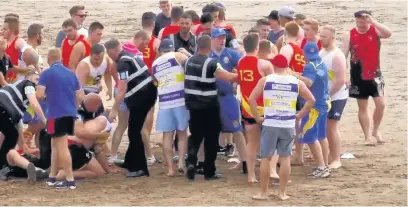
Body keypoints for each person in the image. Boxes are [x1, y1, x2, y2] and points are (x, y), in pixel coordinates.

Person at [249, 54, 315, 201]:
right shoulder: (296, 82)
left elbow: (251, 99)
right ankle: (282, 193)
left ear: (274, 66)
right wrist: (300, 115)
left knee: (266, 158)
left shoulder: (266, 80)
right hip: (288, 123)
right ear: (286, 67)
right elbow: (311, 99)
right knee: (285, 158)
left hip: (271, 122)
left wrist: (256, 117)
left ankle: (263, 192)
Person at [184, 35, 238, 181]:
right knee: (211, 138)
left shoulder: (188, 61)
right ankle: (209, 170)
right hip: (209, 105)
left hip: (192, 104)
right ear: (209, 47)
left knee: (195, 136)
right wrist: (241, 74)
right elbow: (228, 77)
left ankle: (191, 161)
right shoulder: (212, 63)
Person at [105, 38, 157, 177]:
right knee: (134, 129)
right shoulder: (128, 56)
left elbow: (122, 88)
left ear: (113, 50)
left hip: (142, 95)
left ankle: (140, 168)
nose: (109, 57)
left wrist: (114, 109)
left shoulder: (123, 62)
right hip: (146, 93)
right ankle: (130, 161)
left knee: (134, 131)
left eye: (109, 54)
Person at [341, 10, 391, 145]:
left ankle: (376, 130)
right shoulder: (350, 34)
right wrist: (344, 75)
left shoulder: (375, 31)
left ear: (368, 20)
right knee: (362, 106)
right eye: (358, 21)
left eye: (363, 20)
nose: (361, 23)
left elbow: (388, 33)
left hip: (375, 74)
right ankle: (367, 136)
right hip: (358, 75)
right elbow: (342, 56)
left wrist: (373, 21)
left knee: (381, 105)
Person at [36, 48, 84, 189]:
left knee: (61, 145)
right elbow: (80, 96)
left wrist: (47, 99)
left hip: (54, 114)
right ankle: (52, 176)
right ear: (60, 58)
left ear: (49, 59)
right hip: (70, 113)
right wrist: (72, 105)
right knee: (55, 144)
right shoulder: (71, 73)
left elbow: (39, 94)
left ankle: (69, 179)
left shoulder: (47, 73)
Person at [236, 33, 274, 183]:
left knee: (251, 143)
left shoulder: (240, 62)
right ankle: (270, 170)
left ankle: (251, 175)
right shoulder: (264, 64)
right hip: (263, 107)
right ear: (257, 47)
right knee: (270, 142)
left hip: (247, 107)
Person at [209, 28, 247, 173]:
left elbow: (242, 68)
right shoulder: (208, 55)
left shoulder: (231, 54)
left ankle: (245, 163)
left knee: (237, 130)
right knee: (211, 131)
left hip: (228, 96)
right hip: (212, 97)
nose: (222, 40)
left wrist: (236, 78)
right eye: (218, 37)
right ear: (212, 39)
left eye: (223, 37)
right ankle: (209, 164)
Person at [290, 42, 331, 178]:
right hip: (323, 103)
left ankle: (321, 167)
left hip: (314, 107)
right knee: (321, 136)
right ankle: (325, 164)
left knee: (310, 137)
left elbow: (308, 82)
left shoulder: (309, 66)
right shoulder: (321, 63)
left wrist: (294, 76)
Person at [151, 39, 189, 176]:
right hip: (179, 99)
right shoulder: (177, 56)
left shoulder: (154, 64)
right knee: (182, 133)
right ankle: (180, 162)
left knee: (167, 135)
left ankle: (170, 169)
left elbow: (154, 82)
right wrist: (187, 53)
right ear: (172, 48)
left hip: (165, 102)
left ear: (160, 50)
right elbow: (192, 62)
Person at [0, 71, 45, 169]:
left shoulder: (21, 100)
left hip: (3, 110)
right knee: (11, 135)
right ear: (29, 78)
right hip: (2, 107)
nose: (38, 83)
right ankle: (2, 166)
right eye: (37, 79)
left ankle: (2, 165)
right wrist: (45, 121)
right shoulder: (28, 84)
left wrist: (23, 145)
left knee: (11, 134)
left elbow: (17, 122)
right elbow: (34, 104)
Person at [320, 25, 348, 169]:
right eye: (321, 35)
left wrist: (328, 95)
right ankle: (330, 154)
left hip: (336, 95)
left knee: (332, 127)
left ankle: (336, 158)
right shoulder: (322, 52)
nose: (321, 38)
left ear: (332, 38)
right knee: (325, 127)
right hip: (325, 95)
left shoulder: (337, 55)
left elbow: (341, 80)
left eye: (324, 37)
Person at [141, 12, 161, 165]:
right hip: (150, 80)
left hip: (136, 81)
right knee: (148, 113)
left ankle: (143, 146)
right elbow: (158, 62)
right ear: (153, 25)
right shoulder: (156, 42)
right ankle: (147, 148)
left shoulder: (135, 40)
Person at [3, 16, 26, 83]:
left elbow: (29, 53)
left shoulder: (19, 42)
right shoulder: (3, 41)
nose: (2, 31)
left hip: (14, 80)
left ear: (12, 31)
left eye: (5, 29)